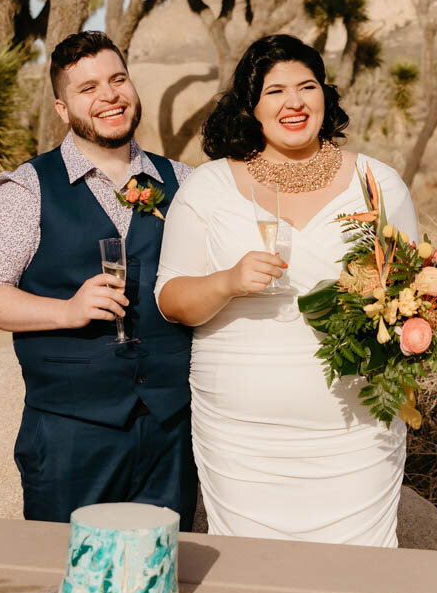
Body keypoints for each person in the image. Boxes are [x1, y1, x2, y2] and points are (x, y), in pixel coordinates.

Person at [155, 33, 419, 547]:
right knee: (253, 577)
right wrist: (227, 282)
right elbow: (171, 300)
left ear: (326, 95)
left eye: (307, 86)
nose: (294, 102)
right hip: (242, 438)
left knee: (358, 574)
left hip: (357, 434)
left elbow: (413, 296)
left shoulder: (377, 184)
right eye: (275, 91)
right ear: (251, 105)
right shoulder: (209, 186)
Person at [0, 30, 197, 528]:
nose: (109, 96)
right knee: (64, 574)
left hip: (170, 429)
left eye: (118, 79)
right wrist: (65, 310)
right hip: (70, 434)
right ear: (62, 108)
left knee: (159, 575)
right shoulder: (28, 188)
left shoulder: (185, 183)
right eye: (87, 89)